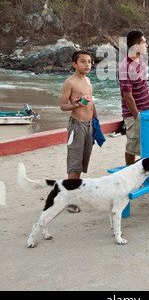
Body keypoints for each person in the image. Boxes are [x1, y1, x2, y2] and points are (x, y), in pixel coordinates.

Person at [60, 50, 98, 212]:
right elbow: (63, 106)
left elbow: (91, 103)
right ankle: (70, 200)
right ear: (74, 64)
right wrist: (76, 105)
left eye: (89, 61)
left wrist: (96, 121)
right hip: (77, 125)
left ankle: (74, 194)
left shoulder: (88, 80)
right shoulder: (70, 82)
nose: (87, 64)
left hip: (89, 125)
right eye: (83, 61)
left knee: (83, 160)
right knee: (74, 162)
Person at [118, 31, 149, 165]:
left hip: (146, 110)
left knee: (145, 143)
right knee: (132, 145)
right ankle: (129, 171)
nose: (147, 45)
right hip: (134, 114)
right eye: (144, 43)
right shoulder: (125, 67)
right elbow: (127, 95)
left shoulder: (141, 60)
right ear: (136, 46)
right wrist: (137, 115)